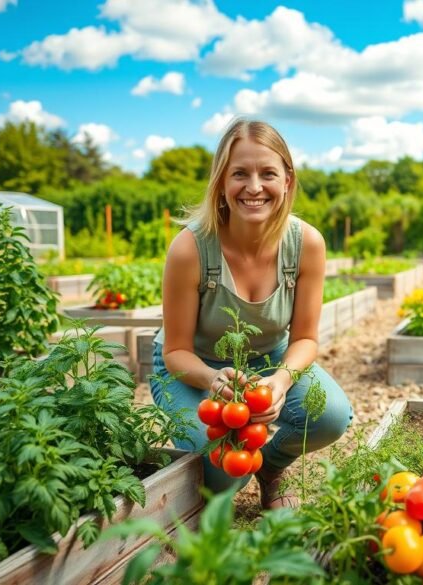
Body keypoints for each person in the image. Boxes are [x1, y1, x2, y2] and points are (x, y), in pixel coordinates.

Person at [150, 118, 352, 508]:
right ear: (222, 183)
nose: (254, 187)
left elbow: (306, 339)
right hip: (192, 370)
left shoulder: (306, 244)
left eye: (268, 173)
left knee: (330, 416)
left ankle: (271, 468)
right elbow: (175, 352)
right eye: (240, 173)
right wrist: (212, 378)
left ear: (287, 181)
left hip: (268, 360)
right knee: (224, 469)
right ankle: (226, 483)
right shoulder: (191, 248)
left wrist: (280, 381)